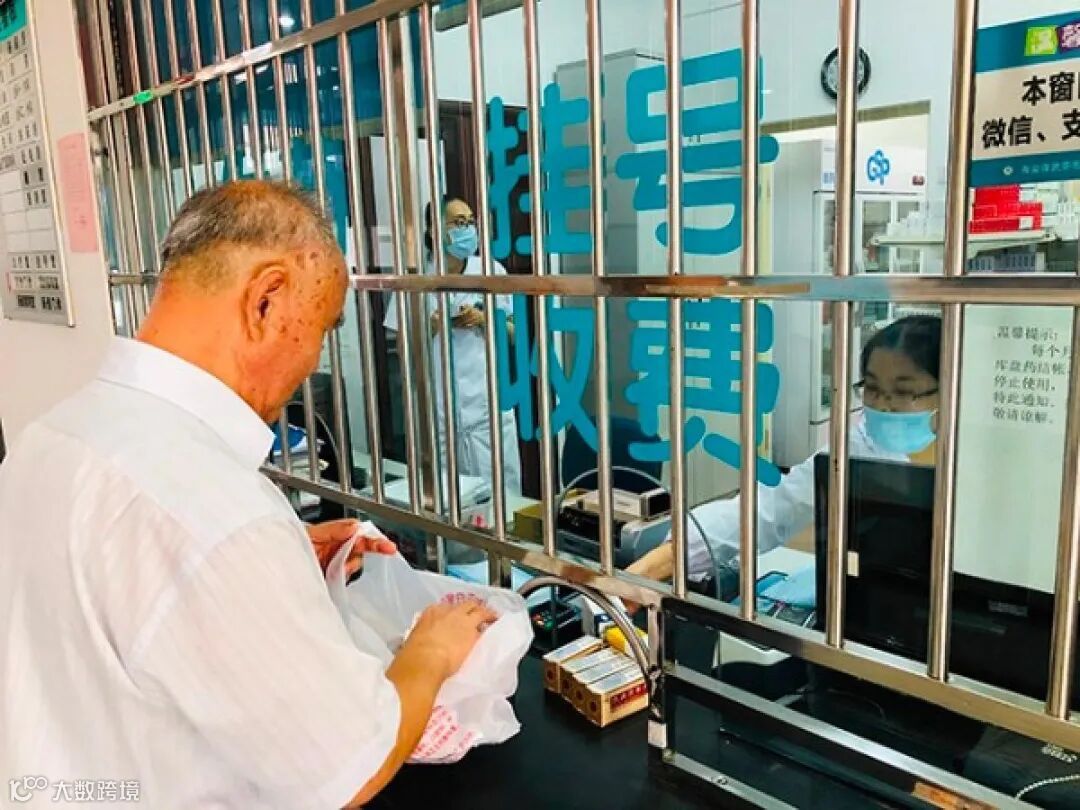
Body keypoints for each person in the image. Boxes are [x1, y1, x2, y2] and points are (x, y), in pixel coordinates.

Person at [0, 181, 497, 809]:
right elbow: (346, 770)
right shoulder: (219, 513)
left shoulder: (54, 433)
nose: (313, 360)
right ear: (265, 300)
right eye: (322, 328)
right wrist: (431, 649)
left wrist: (278, 564)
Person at [629, 314, 942, 587]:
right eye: (872, 388)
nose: (883, 406)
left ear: (952, 391)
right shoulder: (858, 447)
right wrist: (663, 559)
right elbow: (773, 507)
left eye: (904, 392)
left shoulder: (967, 465)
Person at [383, 196, 522, 497]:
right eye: (459, 223)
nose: (468, 229)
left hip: (488, 413)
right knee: (448, 500)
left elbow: (515, 335)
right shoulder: (415, 279)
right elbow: (400, 351)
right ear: (434, 230)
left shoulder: (490, 271)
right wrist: (431, 327)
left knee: (502, 498)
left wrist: (485, 319)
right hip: (439, 415)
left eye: (470, 222)